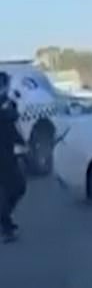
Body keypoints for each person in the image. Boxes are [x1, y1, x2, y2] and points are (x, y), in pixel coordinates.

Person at [0, 72, 26, 243]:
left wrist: (22, 142)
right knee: (14, 186)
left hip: (7, 152)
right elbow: (8, 118)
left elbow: (11, 125)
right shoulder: (4, 105)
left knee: (17, 187)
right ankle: (6, 225)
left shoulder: (6, 102)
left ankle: (6, 221)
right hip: (3, 156)